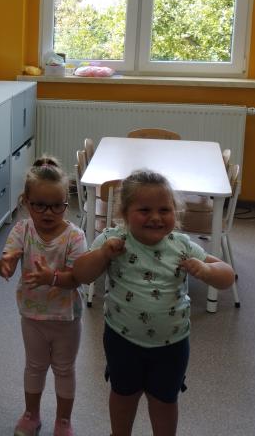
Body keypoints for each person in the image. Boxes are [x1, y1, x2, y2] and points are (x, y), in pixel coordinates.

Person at [73, 170, 235, 436]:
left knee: (165, 401)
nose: (156, 217)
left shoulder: (181, 244)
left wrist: (207, 271)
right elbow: (81, 274)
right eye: (145, 210)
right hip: (122, 340)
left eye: (164, 210)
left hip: (172, 345)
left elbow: (227, 276)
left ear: (175, 212)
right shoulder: (114, 240)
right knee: (123, 396)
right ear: (125, 213)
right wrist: (102, 254)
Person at [0, 157, 87, 436]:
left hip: (66, 319)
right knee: (34, 367)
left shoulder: (75, 237)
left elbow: (78, 278)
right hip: (32, 316)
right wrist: (5, 264)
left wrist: (52, 278)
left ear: (66, 203)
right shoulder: (22, 230)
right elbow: (7, 258)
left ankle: (63, 421)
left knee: (64, 369)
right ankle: (31, 415)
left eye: (57, 206)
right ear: (26, 202)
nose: (49, 213)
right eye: (39, 205)